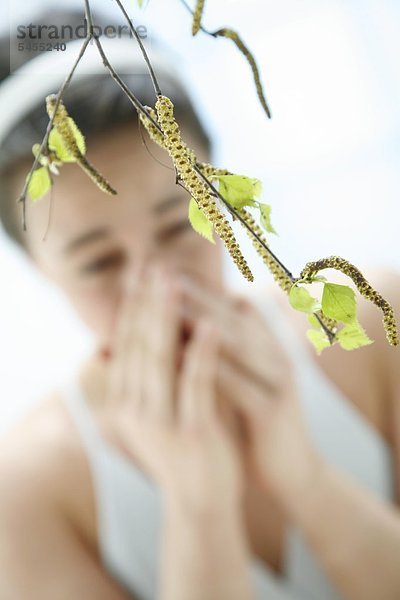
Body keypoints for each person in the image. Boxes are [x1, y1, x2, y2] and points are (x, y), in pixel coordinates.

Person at [1, 9, 400, 600]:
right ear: (41, 271)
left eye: (180, 224)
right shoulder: (29, 490)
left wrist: (308, 480)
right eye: (98, 263)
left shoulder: (366, 319)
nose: (161, 285)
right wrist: (197, 511)